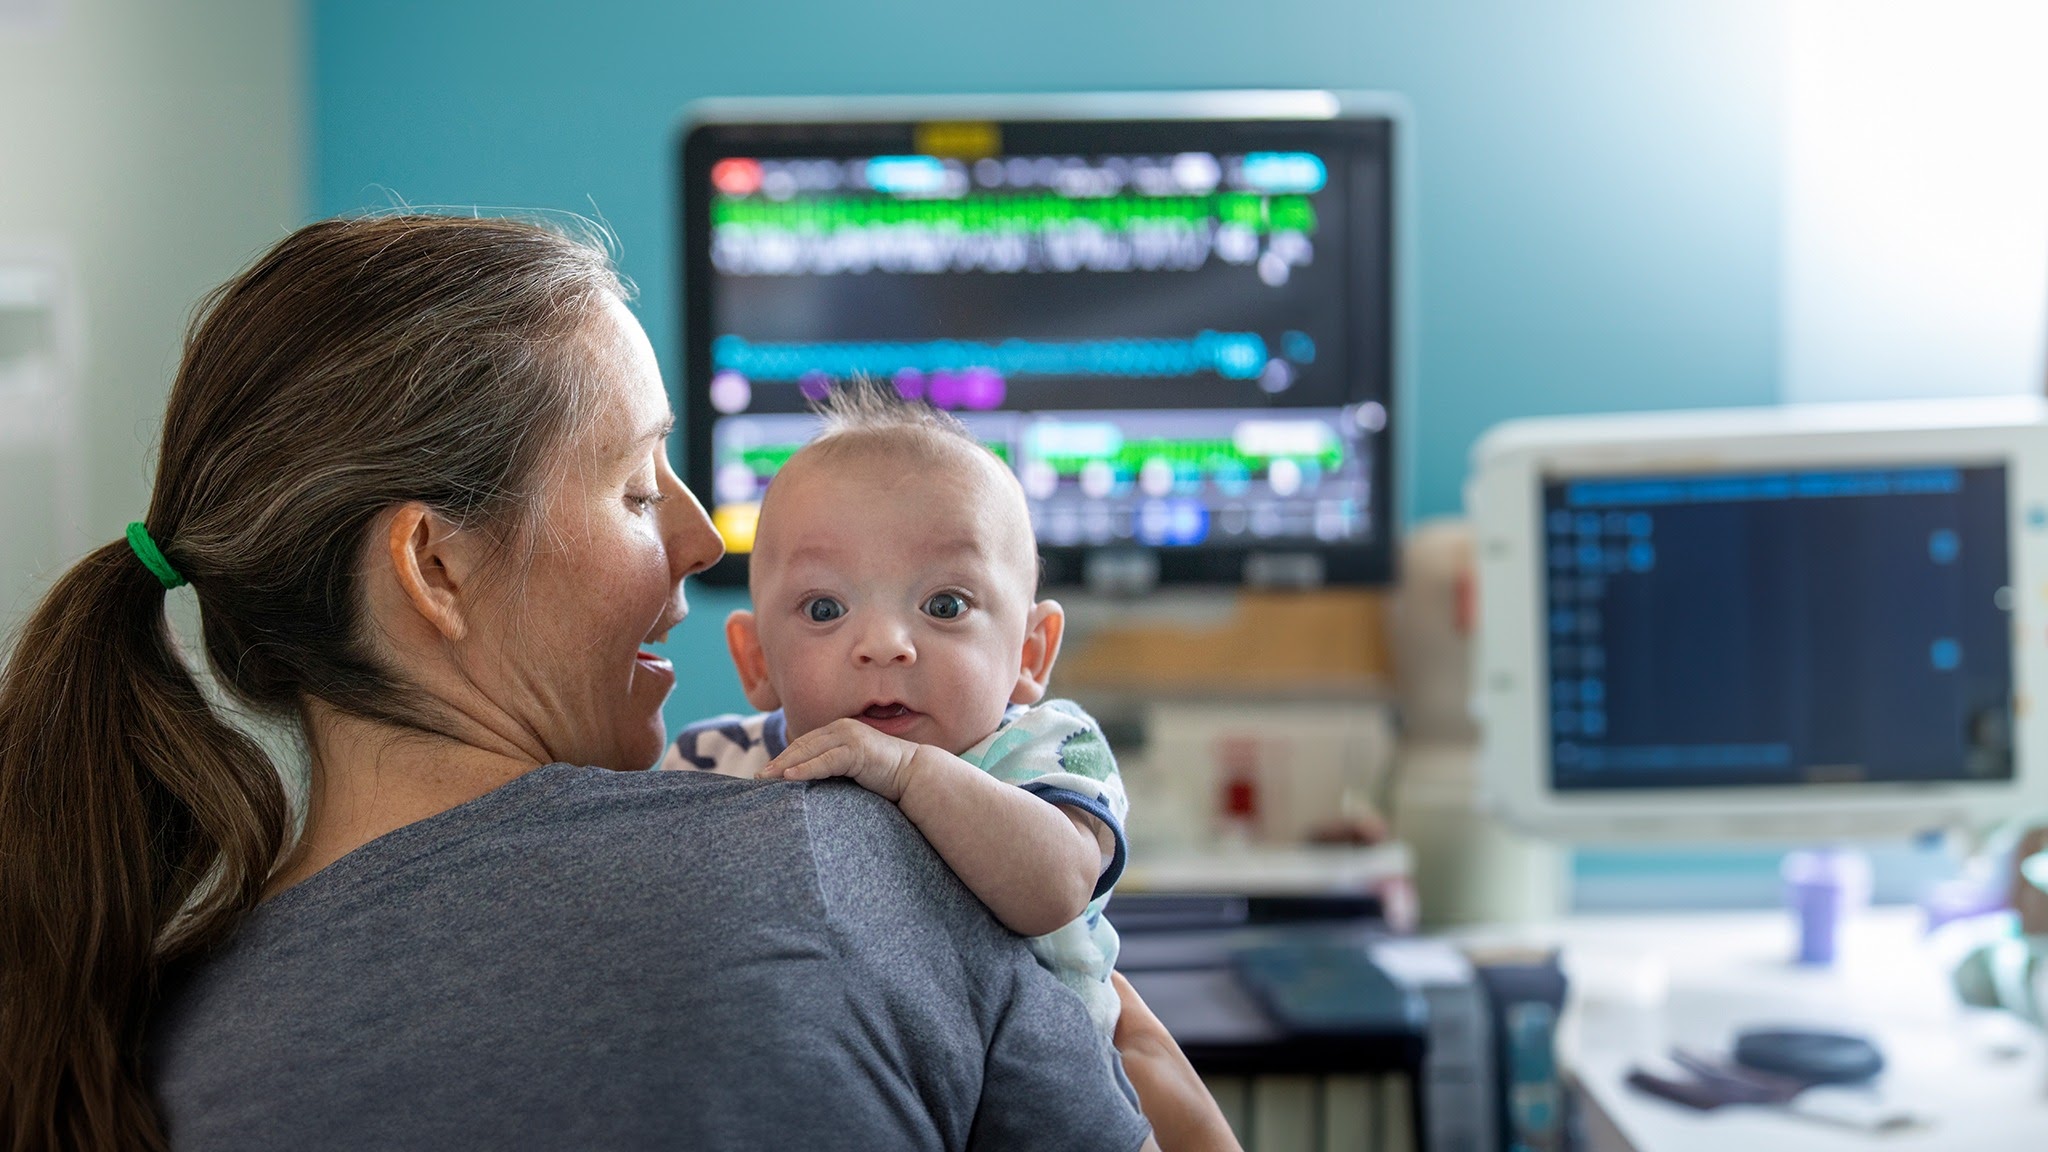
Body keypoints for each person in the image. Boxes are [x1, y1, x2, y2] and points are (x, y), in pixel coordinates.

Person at [0, 214, 1234, 1151]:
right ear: (435, 565)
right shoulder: (851, 860)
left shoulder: (153, 1043)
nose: (703, 544)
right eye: (642, 490)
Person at [667, 387, 1128, 1034]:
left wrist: (909, 773)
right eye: (825, 609)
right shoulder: (712, 766)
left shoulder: (1042, 749)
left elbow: (1056, 889)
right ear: (757, 662)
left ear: (1030, 652)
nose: (884, 644)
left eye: (945, 605)